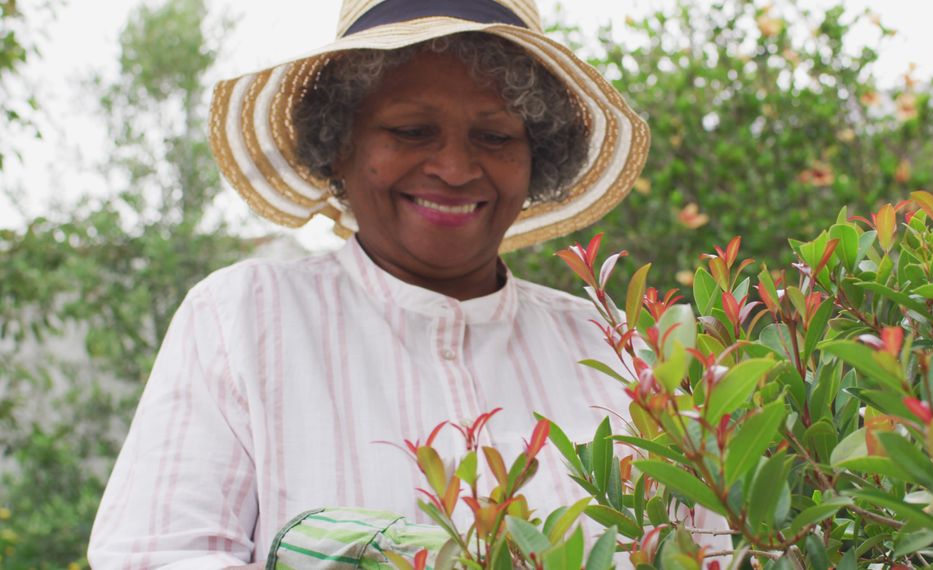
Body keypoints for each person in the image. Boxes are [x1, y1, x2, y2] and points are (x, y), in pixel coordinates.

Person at [87, 1, 656, 567]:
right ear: (339, 143)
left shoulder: (615, 350)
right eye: (411, 131)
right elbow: (162, 554)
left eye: (495, 136)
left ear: (538, 156)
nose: (455, 169)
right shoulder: (242, 319)